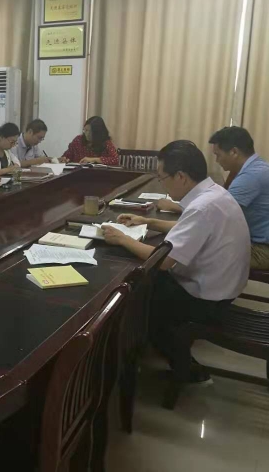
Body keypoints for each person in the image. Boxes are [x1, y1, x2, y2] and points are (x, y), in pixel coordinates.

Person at [102, 140, 250, 383]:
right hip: (224, 287)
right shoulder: (214, 194)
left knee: (140, 294)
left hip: (207, 299)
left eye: (162, 177)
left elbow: (162, 261)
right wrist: (148, 222)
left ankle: (180, 366)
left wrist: (121, 238)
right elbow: (190, 228)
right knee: (147, 285)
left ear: (181, 176)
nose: (162, 183)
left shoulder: (202, 207)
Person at [157, 127, 269, 270]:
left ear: (234, 152)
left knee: (188, 253)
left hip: (263, 251)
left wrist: (172, 206)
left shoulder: (250, 177)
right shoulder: (258, 167)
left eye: (218, 155)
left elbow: (214, 212)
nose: (217, 160)